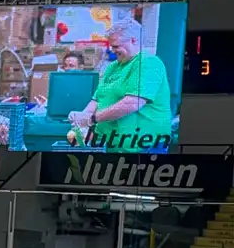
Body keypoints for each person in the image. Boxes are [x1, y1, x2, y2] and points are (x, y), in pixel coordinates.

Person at [68, 18, 172, 152]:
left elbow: (133, 103)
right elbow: (97, 99)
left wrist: (92, 119)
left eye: (116, 46)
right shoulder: (112, 67)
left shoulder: (149, 63)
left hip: (143, 146)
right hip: (111, 145)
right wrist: (81, 117)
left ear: (133, 40)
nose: (113, 50)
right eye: (111, 46)